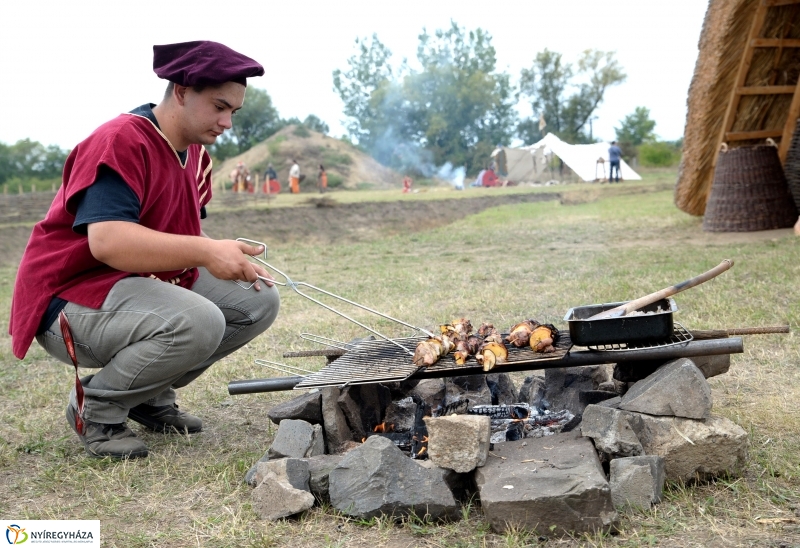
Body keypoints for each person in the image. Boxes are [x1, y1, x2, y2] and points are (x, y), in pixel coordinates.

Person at [8, 40, 281, 460]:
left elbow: (170, 235)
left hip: (130, 286)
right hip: (71, 294)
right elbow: (108, 242)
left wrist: (222, 253)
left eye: (233, 111)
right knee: (200, 320)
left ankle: (148, 397)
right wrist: (207, 252)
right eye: (219, 106)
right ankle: (96, 408)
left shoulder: (196, 156)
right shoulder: (122, 140)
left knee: (258, 299)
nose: (227, 122)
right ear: (183, 91)